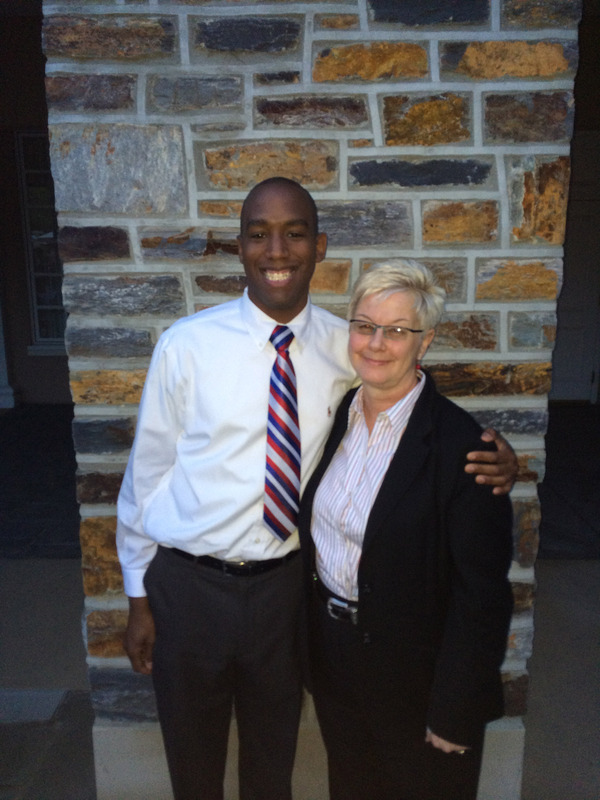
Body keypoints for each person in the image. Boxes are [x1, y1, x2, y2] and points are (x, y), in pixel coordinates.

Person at [116, 179, 517, 800]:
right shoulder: (186, 346)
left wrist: (499, 460)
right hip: (189, 589)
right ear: (240, 247)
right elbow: (146, 474)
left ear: (319, 245)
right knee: (192, 762)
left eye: (295, 233)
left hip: (284, 592)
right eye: (258, 234)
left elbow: (411, 408)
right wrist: (138, 591)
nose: (277, 250)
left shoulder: (346, 345)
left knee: (272, 761)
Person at [298, 259, 515, 800]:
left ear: (425, 343)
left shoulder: (465, 448)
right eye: (365, 325)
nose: (376, 343)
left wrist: (455, 712)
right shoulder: (340, 414)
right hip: (336, 660)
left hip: (417, 679)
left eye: (397, 330)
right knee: (351, 786)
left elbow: (482, 595)